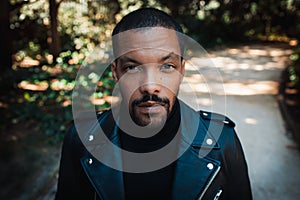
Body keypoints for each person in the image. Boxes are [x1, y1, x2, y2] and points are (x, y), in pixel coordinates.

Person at [55, 7, 252, 200]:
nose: (150, 86)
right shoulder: (81, 140)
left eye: (167, 66)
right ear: (116, 73)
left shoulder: (222, 141)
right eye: (132, 67)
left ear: (181, 71)